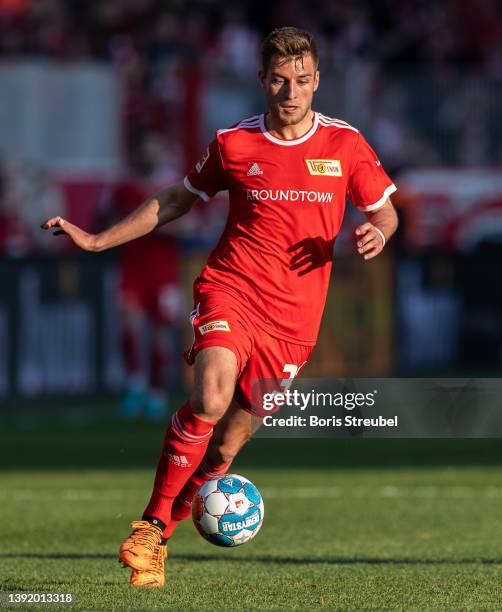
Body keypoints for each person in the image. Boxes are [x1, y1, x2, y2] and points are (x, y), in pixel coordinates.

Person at [42, 27, 398, 588]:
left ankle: (168, 533)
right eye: (280, 80)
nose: (291, 92)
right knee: (208, 396)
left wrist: (378, 231)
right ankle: (151, 530)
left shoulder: (345, 144)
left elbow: (385, 211)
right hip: (230, 288)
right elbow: (177, 200)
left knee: (228, 442)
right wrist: (96, 240)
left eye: (302, 81)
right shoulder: (234, 143)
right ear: (262, 79)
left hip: (294, 321)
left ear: (317, 82)